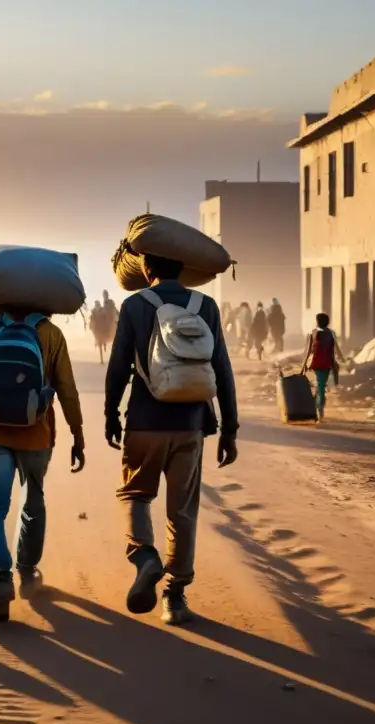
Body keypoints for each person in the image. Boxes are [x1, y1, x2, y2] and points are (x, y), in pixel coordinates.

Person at [105, 254, 238, 626]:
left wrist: (110, 414)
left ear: (146, 270)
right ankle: (175, 597)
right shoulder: (205, 305)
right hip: (191, 423)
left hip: (145, 421)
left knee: (135, 494)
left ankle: (146, 558)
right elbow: (221, 368)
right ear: (185, 268)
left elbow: (118, 365)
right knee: (182, 510)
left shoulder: (134, 305)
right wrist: (230, 427)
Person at [0, 306, 85, 623]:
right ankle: (26, 571)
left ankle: (0, 576)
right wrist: (77, 432)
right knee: (33, 500)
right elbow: (66, 386)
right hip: (37, 434)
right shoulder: (50, 333)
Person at [301, 312, 345, 421]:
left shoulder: (314, 332)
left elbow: (308, 351)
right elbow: (336, 349)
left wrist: (304, 364)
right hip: (325, 363)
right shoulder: (330, 333)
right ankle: (319, 408)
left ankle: (317, 406)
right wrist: (341, 359)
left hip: (317, 363)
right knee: (321, 385)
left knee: (320, 385)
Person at [90, 300, 111, 365]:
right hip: (97, 330)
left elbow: (106, 320)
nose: (97, 306)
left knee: (103, 340)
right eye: (96, 304)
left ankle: (104, 343)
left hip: (103, 329)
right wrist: (91, 326)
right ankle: (101, 359)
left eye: (98, 304)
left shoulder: (103, 311)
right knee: (99, 344)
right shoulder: (93, 312)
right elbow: (91, 320)